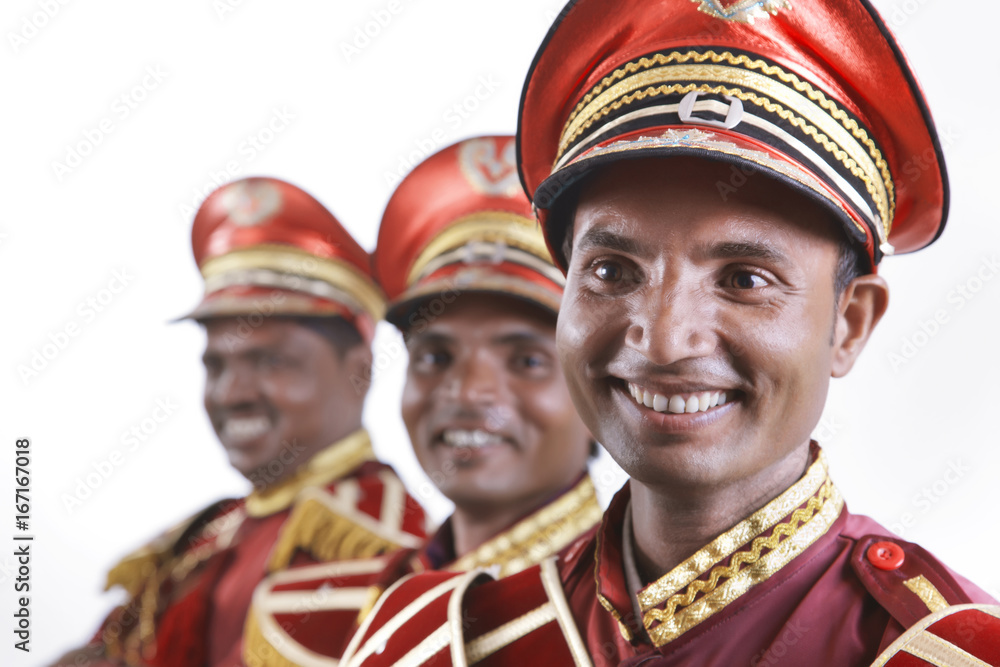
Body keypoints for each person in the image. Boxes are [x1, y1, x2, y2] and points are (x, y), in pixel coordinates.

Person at [339, 2, 1000, 665]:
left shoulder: (948, 650)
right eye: (611, 270)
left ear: (849, 324)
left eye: (744, 279)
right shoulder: (438, 642)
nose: (663, 339)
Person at [244, 136, 602, 665]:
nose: (467, 391)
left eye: (526, 360)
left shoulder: (649, 616)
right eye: (435, 357)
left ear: (605, 394)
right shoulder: (310, 614)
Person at [54, 177, 428, 667]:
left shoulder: (386, 538)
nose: (231, 394)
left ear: (360, 369)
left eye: (270, 361)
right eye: (217, 366)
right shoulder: (203, 537)